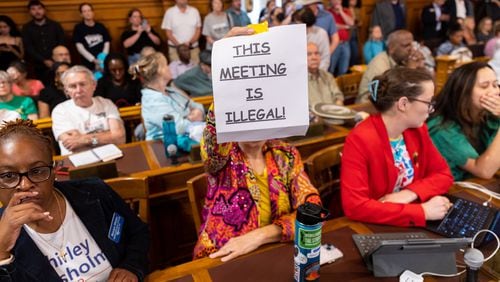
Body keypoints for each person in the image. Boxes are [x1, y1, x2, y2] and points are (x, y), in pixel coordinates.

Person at [0, 119, 149, 281]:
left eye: (37, 171)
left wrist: (131, 267)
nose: (25, 184)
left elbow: (138, 233)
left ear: (54, 170)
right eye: (8, 176)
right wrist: (1, 253)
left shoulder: (95, 192)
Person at [194, 106, 321, 260]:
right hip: (222, 255)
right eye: (247, 116)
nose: (254, 125)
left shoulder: (285, 154)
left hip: (274, 249)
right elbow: (211, 145)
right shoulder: (222, 156)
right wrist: (225, 95)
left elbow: (313, 211)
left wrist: (261, 235)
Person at [341, 67, 454, 227]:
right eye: (429, 102)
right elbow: (355, 207)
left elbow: (444, 175)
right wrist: (423, 211)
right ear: (403, 104)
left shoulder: (417, 130)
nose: (431, 109)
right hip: (375, 228)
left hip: (403, 220)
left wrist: (409, 193)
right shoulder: (360, 139)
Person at [428, 62, 500, 181]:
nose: (495, 92)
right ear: (463, 91)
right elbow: (484, 171)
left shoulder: (487, 116)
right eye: (484, 86)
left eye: (495, 84)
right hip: (453, 191)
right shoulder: (441, 129)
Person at [129, 52, 204, 141]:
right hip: (163, 146)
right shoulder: (152, 100)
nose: (169, 68)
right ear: (159, 71)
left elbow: (197, 105)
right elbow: (178, 127)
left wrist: (198, 112)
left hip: (187, 140)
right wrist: (192, 118)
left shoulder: (171, 90)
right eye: (166, 65)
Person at [51, 66, 125, 155]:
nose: (78, 90)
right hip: (78, 162)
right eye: (73, 86)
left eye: (82, 84)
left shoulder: (106, 104)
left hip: (110, 156)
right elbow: (72, 145)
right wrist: (107, 135)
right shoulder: (60, 111)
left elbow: (119, 138)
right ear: (66, 90)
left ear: (94, 85)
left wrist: (84, 140)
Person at [358, 30, 424, 103]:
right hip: (368, 106)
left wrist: (421, 68)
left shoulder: (403, 60)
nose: (411, 49)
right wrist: (410, 70)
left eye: (412, 45)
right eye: (406, 45)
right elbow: (391, 93)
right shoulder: (380, 64)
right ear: (391, 48)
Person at [21, 0, 65, 84]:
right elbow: (28, 47)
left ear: (44, 10)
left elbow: (61, 42)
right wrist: (44, 60)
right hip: (37, 65)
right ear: (30, 12)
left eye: (39, 8)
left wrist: (55, 59)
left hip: (57, 62)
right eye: (33, 9)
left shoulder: (55, 25)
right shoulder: (26, 28)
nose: (37, 11)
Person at [73, 3, 111, 71]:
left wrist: (102, 59)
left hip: (103, 60)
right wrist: (93, 60)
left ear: (93, 12)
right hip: (88, 62)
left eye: (89, 10)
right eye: (84, 11)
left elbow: (107, 43)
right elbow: (80, 48)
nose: (87, 13)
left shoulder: (101, 26)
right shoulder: (78, 28)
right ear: (81, 14)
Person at [307, 42, 343, 107]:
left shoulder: (328, 76)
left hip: (333, 114)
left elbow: (338, 96)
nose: (314, 57)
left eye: (316, 53)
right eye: (309, 54)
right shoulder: (299, 82)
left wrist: (337, 109)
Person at [328, 0, 353, 76]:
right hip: (333, 44)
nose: (336, 1)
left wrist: (341, 11)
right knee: (331, 69)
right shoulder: (328, 12)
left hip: (345, 44)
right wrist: (345, 26)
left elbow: (351, 23)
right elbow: (332, 26)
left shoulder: (346, 11)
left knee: (344, 70)